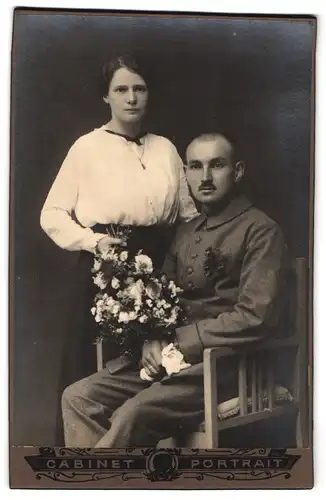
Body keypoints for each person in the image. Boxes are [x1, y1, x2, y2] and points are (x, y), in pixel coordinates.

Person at [61, 133, 291, 448]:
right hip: (171, 361)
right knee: (78, 397)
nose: (205, 177)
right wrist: (152, 340)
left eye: (217, 165)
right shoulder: (185, 232)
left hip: (225, 365)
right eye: (195, 167)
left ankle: (93, 490)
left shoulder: (260, 230)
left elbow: (256, 316)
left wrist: (181, 342)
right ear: (186, 174)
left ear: (237, 171)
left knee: (134, 413)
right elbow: (162, 297)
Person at [40, 54, 198, 442]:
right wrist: (94, 242)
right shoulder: (87, 148)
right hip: (105, 272)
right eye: (121, 89)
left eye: (139, 89)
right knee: (94, 374)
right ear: (106, 97)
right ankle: (91, 467)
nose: (132, 98)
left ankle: (145, 463)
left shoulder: (165, 149)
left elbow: (189, 215)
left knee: (157, 368)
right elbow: (52, 214)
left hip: (160, 270)